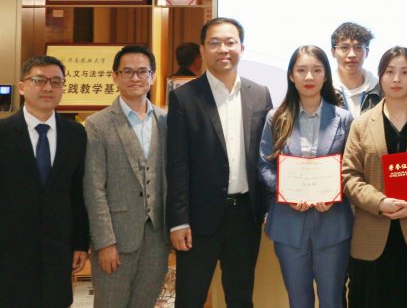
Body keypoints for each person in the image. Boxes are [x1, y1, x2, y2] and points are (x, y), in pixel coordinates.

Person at [166, 17, 273, 308]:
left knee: (240, 297)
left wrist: (269, 208)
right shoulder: (184, 98)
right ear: (202, 50)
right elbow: (176, 164)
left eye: (230, 42)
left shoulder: (260, 94)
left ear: (242, 47)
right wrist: (178, 220)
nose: (223, 49)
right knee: (190, 297)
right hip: (198, 219)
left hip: (245, 216)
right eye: (214, 43)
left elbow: (267, 156)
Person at [342, 46, 407, 308]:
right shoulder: (361, 124)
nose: (397, 79)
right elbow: (350, 176)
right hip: (373, 230)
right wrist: (380, 202)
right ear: (380, 77)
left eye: (405, 72)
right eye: (389, 72)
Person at [258, 45, 354, 308]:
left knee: (332, 299)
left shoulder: (344, 119)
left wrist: (335, 191)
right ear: (291, 75)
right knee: (298, 300)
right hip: (289, 223)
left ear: (325, 75)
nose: (309, 77)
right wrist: (286, 192)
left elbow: (352, 168)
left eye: (316, 70)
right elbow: (264, 166)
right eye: (301, 70)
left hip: (333, 222)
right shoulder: (276, 118)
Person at [84, 45, 169, 308]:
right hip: (116, 240)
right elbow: (94, 188)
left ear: (153, 76)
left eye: (143, 71)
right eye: (127, 72)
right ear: (115, 76)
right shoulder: (97, 124)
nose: (135, 78)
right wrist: (104, 243)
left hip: (157, 239)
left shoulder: (166, 121)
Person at [0, 55, 89, 308]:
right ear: (22, 87)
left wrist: (81, 243)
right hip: (9, 249)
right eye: (39, 80)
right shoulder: (3, 133)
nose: (48, 88)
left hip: (58, 249)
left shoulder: (76, 134)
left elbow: (78, 192)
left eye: (56, 82)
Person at [330, 22, 381, 117]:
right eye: (344, 47)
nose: (352, 54)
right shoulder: (324, 90)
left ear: (367, 52)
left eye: (358, 47)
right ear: (333, 52)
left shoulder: (379, 90)